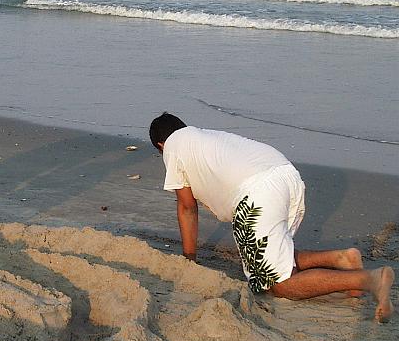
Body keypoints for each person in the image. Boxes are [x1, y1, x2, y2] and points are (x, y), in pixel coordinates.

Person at [149, 112, 394, 322]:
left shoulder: (173, 146)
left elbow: (187, 207)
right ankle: (342, 259)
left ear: (160, 145)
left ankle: (370, 280)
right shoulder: (206, 137)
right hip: (287, 175)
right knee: (278, 256)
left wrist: (189, 259)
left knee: (277, 284)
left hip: (257, 192)